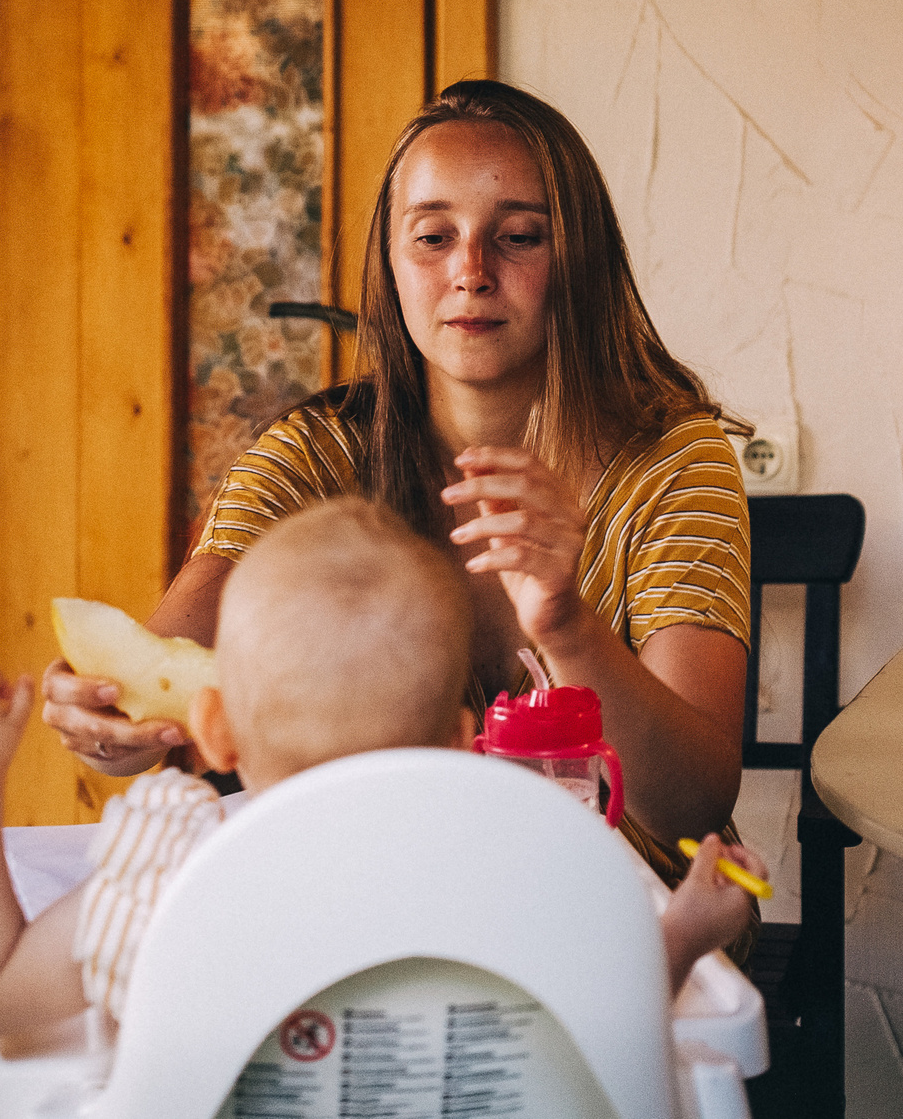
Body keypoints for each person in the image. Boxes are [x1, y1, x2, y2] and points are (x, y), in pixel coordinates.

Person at [41, 78, 754, 891]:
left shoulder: (672, 459)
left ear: (578, 258)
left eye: (519, 235)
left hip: (631, 924)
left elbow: (694, 802)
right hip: (378, 904)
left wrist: (568, 628)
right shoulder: (315, 451)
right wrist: (114, 711)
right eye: (432, 236)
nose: (472, 270)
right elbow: (175, 658)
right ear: (391, 259)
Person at [0, 498, 766, 1050]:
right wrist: (685, 931)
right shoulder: (500, 870)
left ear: (212, 728)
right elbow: (597, 1018)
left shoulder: (173, 857)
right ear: (462, 736)